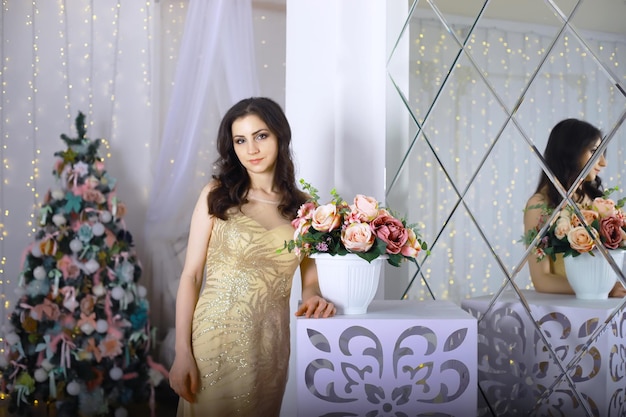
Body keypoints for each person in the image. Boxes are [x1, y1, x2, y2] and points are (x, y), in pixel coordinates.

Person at [168, 97, 336, 416]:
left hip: (270, 347)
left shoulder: (305, 209)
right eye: (240, 141)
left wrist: (314, 299)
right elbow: (190, 275)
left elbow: (309, 281)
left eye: (261, 136)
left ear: (279, 136)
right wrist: (181, 352)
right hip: (212, 339)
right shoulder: (216, 194)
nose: (252, 149)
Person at [523, 118, 626, 297]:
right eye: (594, 151)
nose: (603, 163)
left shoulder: (598, 201)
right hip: (567, 307)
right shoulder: (539, 205)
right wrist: (603, 289)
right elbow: (542, 280)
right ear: (570, 152)